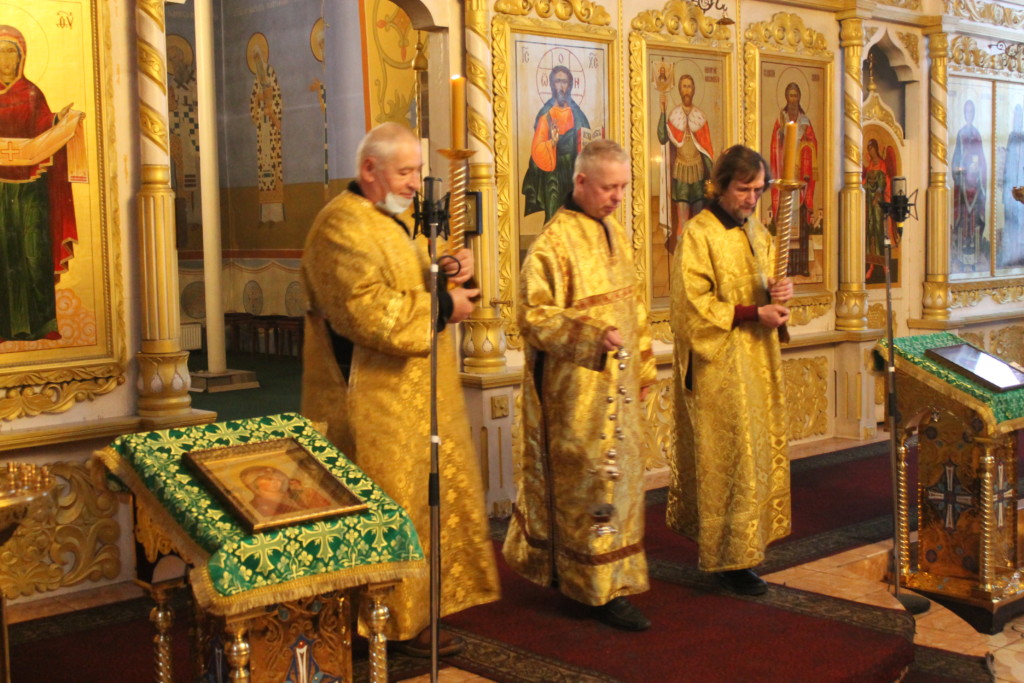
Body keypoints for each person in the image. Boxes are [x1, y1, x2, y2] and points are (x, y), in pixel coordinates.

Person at [301, 122, 499, 656]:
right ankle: (371, 627)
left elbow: (408, 285)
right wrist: (444, 304)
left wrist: (445, 270)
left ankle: (411, 617)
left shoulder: (391, 222)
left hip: (414, 398)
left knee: (421, 509)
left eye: (418, 171)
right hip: (369, 403)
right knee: (384, 514)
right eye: (406, 171)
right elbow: (364, 312)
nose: (416, 183)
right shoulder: (340, 225)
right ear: (370, 170)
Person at [504, 139, 657, 631]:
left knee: (622, 483)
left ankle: (614, 579)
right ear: (581, 182)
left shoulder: (615, 233)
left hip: (620, 390)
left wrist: (644, 369)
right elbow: (533, 317)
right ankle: (588, 587)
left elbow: (635, 307)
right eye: (609, 188)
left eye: (623, 187)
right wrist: (591, 336)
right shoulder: (552, 244)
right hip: (576, 397)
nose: (617, 197)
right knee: (588, 487)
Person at [668, 145, 793, 597]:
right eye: (744, 189)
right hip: (718, 368)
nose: (752, 199)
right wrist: (752, 312)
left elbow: (766, 289)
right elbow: (690, 307)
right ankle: (728, 559)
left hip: (755, 363)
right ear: (719, 186)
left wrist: (780, 293)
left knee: (752, 455)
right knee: (729, 460)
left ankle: (747, 547)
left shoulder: (757, 231)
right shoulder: (698, 234)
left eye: (759, 190)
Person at [0, 25, 81, 343]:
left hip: (31, 187)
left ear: (21, 57)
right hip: (0, 189)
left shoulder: (32, 93)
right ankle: (4, 328)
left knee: (34, 253)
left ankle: (43, 323)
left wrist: (59, 121)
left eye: (11, 52)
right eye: (0, 52)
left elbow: (44, 123)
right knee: (3, 254)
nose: (5, 59)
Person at [522, 65, 591, 222]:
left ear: (570, 85)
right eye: (557, 81)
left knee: (574, 217)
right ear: (552, 84)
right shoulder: (545, 115)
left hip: (573, 171)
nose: (561, 86)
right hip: (552, 174)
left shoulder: (577, 114)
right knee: (553, 216)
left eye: (564, 82)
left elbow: (586, 141)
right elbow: (537, 147)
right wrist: (552, 142)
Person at [657, 73, 714, 252]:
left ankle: (696, 255)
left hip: (698, 172)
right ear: (680, 90)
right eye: (684, 86)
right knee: (682, 220)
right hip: (680, 172)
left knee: (697, 219)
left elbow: (707, 150)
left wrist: (712, 179)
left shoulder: (700, 117)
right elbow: (662, 137)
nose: (687, 90)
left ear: (694, 90)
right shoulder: (674, 115)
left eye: (689, 86)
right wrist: (663, 111)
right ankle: (681, 255)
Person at [769, 82, 817, 276]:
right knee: (786, 223)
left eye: (796, 95)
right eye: (790, 95)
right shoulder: (780, 120)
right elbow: (775, 147)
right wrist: (781, 135)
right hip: (785, 174)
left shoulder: (805, 122)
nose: (793, 99)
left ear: (799, 98)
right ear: (786, 98)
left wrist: (805, 151)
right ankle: (786, 266)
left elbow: (813, 146)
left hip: (800, 180)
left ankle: (802, 265)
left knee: (801, 224)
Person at [951, 99, 988, 272]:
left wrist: (979, 171)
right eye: (967, 111)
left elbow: (981, 158)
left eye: (971, 111)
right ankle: (961, 258)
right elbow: (957, 158)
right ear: (964, 113)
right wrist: (960, 171)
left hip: (975, 183)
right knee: (963, 219)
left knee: (975, 220)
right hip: (963, 183)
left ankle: (974, 258)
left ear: (974, 114)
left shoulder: (977, 134)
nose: (969, 114)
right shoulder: (960, 134)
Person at [863, 138, 895, 280]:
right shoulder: (870, 165)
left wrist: (877, 194)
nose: (870, 152)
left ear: (876, 149)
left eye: (871, 149)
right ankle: (871, 265)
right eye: (868, 149)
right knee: (870, 233)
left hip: (878, 204)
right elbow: (866, 183)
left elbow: (882, 184)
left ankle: (884, 265)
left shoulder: (882, 164)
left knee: (880, 231)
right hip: (870, 203)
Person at [1000, 104, 1024, 267]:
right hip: (1011, 185)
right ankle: (1011, 255)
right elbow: (1007, 164)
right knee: (1011, 223)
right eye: (1016, 116)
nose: (1017, 120)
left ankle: (1020, 254)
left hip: (1021, 184)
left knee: (1021, 224)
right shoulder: (1011, 138)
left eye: (1020, 117)